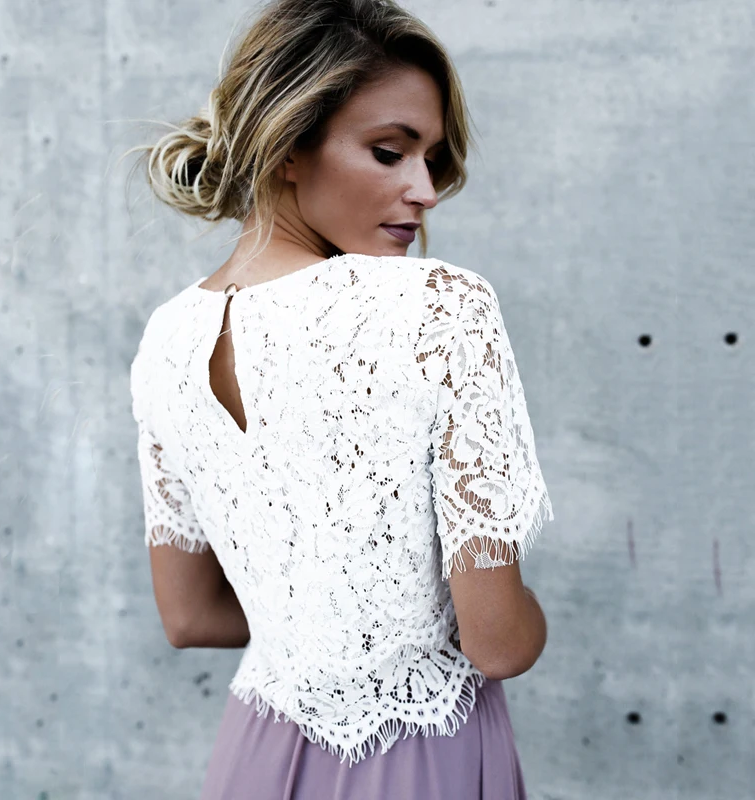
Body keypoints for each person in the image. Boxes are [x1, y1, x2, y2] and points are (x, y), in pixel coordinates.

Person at [124, 0, 555, 797]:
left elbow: (190, 617)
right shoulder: (439, 307)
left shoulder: (164, 342)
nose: (425, 190)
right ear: (287, 144)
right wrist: (529, 618)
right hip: (422, 752)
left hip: (254, 754)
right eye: (390, 152)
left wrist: (316, 621)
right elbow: (498, 642)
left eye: (431, 159)